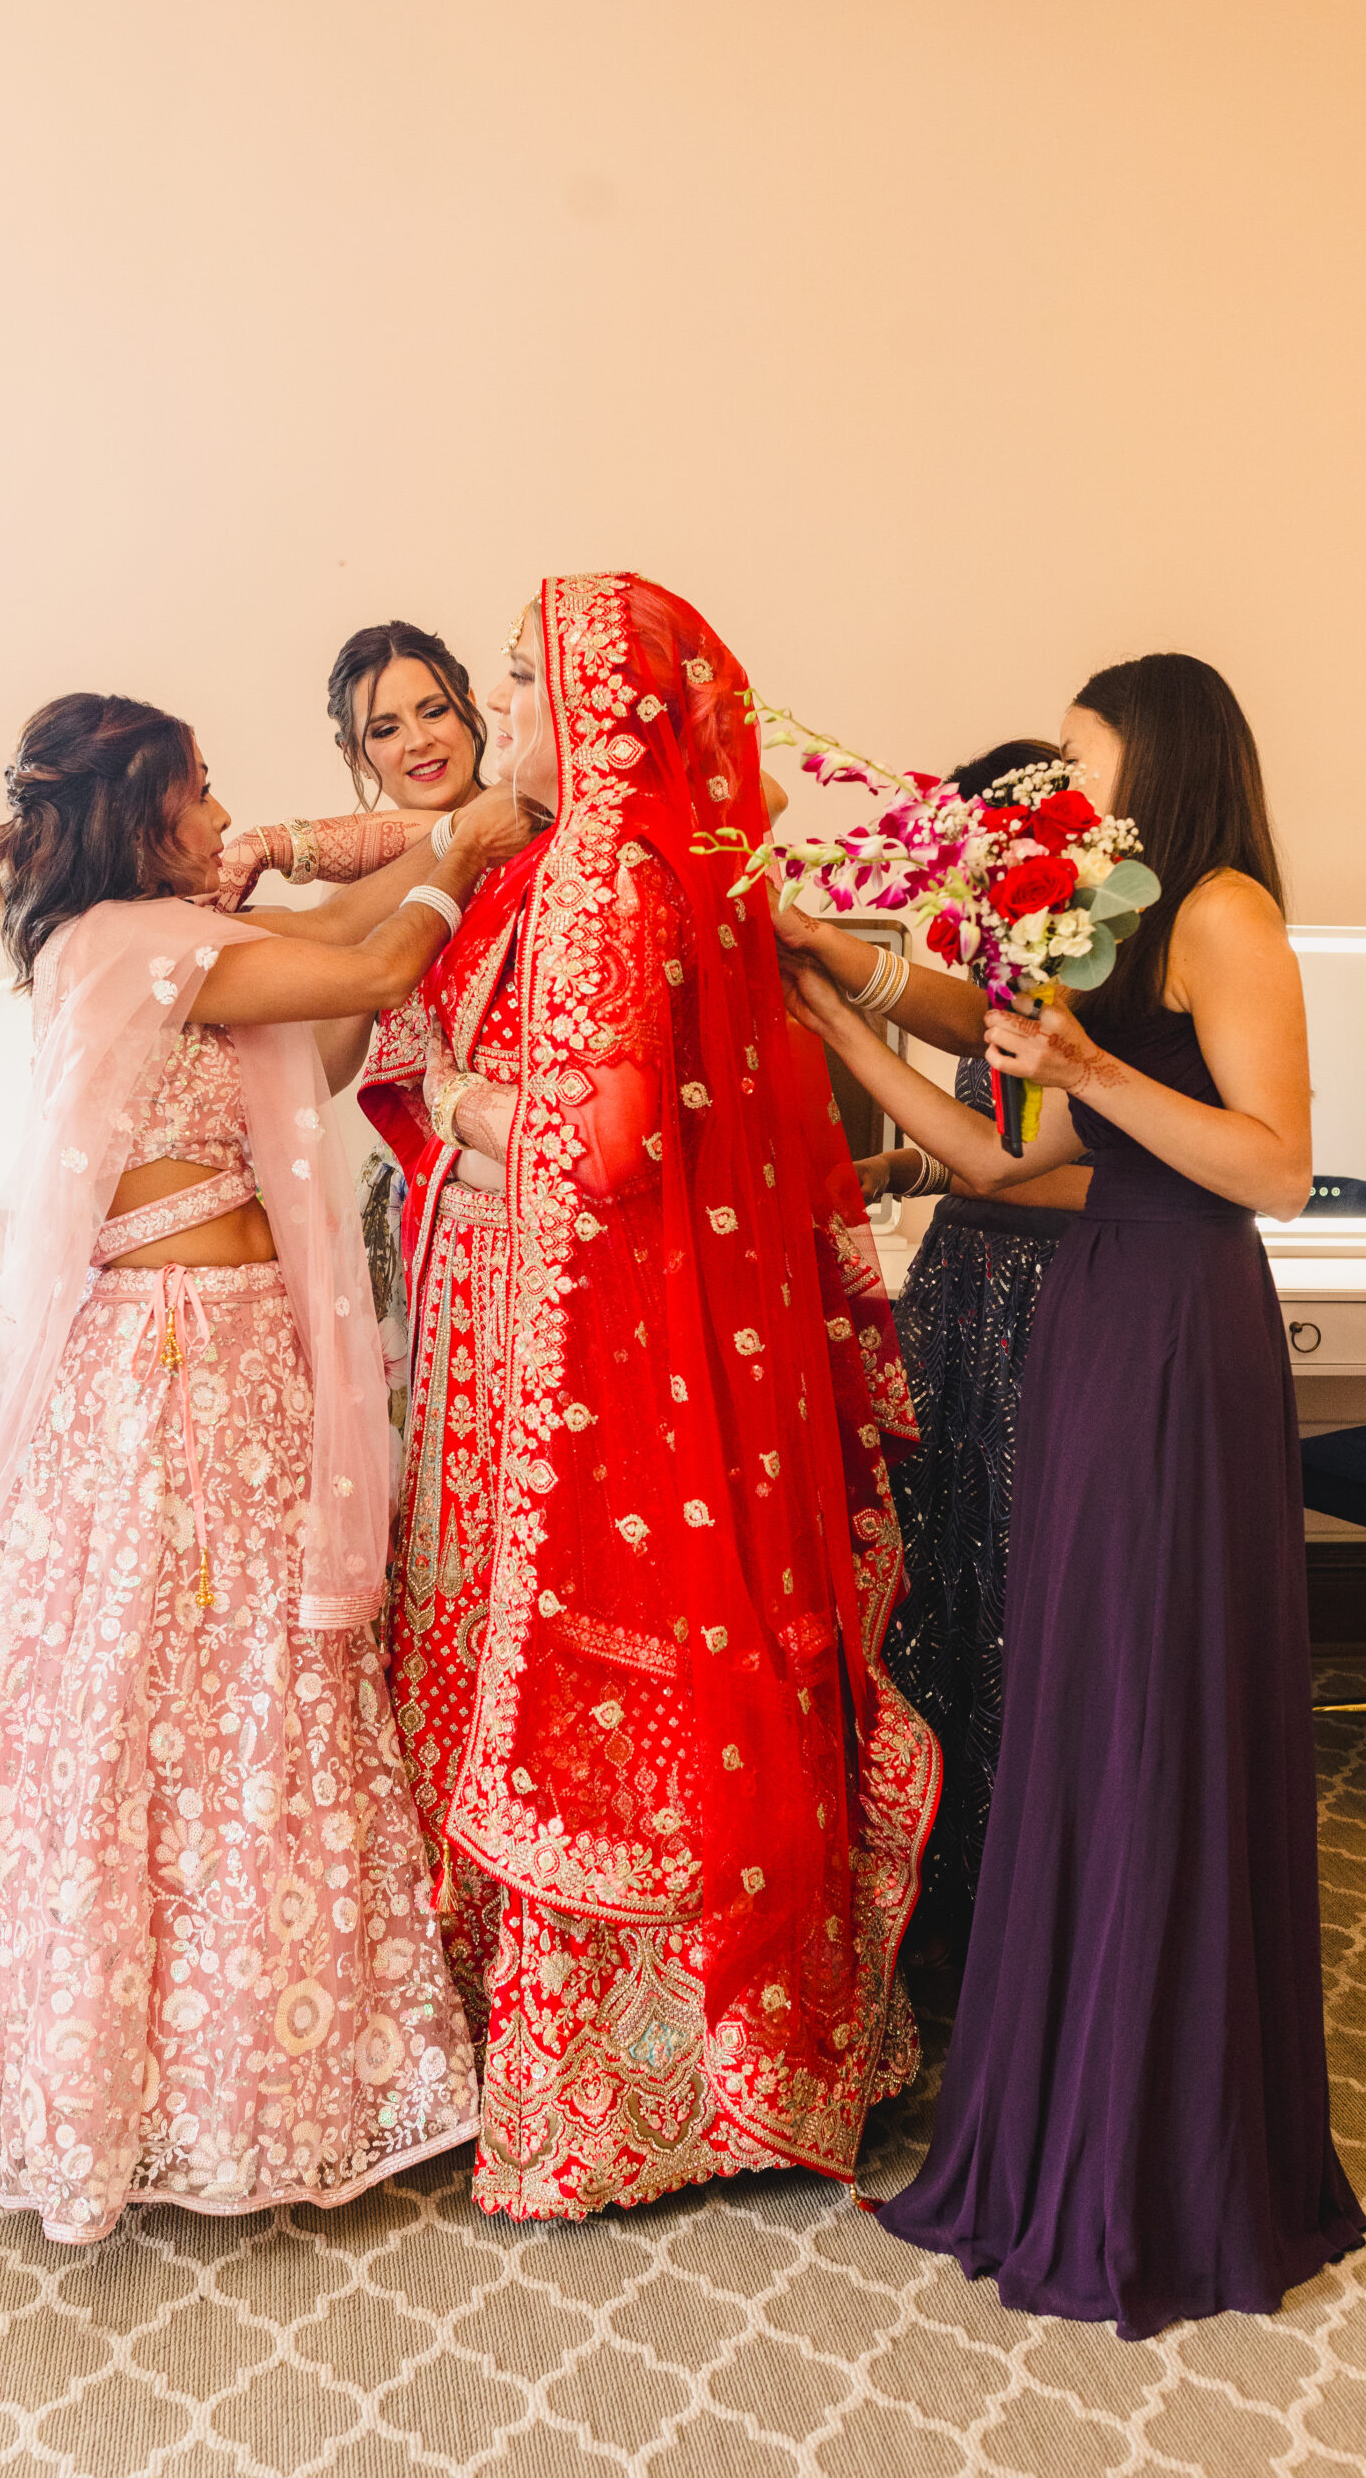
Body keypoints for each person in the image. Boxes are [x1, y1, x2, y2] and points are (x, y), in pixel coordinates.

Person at [0, 690, 531, 2244]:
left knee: (262, 1685)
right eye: (194, 793)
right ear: (135, 811)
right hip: (162, 1371)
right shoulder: (125, 945)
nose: (215, 812)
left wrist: (414, 859)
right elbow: (380, 961)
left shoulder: (183, 947)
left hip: (243, 1349)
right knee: (143, 1695)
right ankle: (108, 2081)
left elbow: (330, 1002)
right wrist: (466, 842)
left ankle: (257, 2072)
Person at [782, 652, 1366, 2336]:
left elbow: (1270, 1159)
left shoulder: (1226, 912)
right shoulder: (1119, 933)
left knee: (1150, 1709)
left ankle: (1161, 2140)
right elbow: (990, 1155)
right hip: (1099, 1319)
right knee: (1088, 1703)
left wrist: (1089, 1073)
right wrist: (834, 994)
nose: (1073, 793)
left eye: (1090, 756)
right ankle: (1073, 2107)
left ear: (1155, 753)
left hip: (1181, 1320)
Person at [361, 572, 941, 2221]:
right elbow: (424, 1042)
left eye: (530, 694)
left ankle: (648, 2086)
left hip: (580, 1355)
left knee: (585, 1664)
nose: (507, 726)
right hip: (532, 1329)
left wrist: (466, 1101)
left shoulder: (611, 875)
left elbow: (599, 1148)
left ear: (605, 715)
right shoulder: (577, 864)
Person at [777, 739, 1093, 1959]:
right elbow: (983, 1121)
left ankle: (1009, 1902)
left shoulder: (1088, 976)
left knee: (1013, 1590)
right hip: (965, 1286)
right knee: (943, 1574)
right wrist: (906, 1165)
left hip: (1038, 1304)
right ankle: (942, 1886)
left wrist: (853, 1036)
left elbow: (1041, 1165)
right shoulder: (1014, 969)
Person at [214, 622, 489, 1462]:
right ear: (354, 755)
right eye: (384, 730)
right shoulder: (375, 888)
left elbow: (495, 815)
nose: (419, 742)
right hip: (418, 1199)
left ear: (475, 709)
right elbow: (329, 1066)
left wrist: (273, 843)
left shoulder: (541, 821)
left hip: (535, 1185)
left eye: (434, 710)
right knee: (419, 1465)